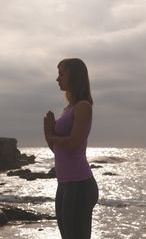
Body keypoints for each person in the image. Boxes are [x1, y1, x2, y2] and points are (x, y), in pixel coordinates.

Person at [43, 58, 99, 239]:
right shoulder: (68, 109)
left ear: (74, 76)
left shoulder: (83, 106)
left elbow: (74, 143)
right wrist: (48, 133)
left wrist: (51, 135)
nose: (57, 79)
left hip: (80, 185)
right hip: (64, 183)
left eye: (61, 74)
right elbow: (58, 150)